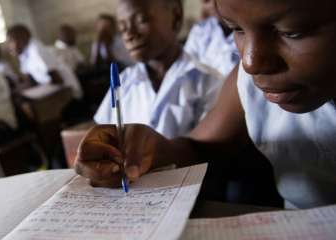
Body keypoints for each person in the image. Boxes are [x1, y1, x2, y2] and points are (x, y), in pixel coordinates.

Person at [75, 0, 336, 209]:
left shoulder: (206, 78)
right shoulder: (245, 83)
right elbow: (198, 147)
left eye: (292, 31)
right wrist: (155, 148)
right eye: (236, 28)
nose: (250, 62)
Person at [94, 0, 223, 139]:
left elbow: (207, 149)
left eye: (141, 20)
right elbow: (102, 134)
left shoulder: (208, 82)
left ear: (176, 16)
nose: (129, 34)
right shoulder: (123, 82)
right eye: (123, 27)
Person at [6, 24, 83, 99]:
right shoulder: (24, 54)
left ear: (21, 39)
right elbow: (29, 80)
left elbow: (57, 80)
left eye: (10, 42)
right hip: (55, 87)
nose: (9, 47)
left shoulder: (37, 51)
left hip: (68, 90)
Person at [184, 0, 239, 78]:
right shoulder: (200, 30)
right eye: (207, 0)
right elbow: (187, 67)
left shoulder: (248, 30)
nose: (213, 4)